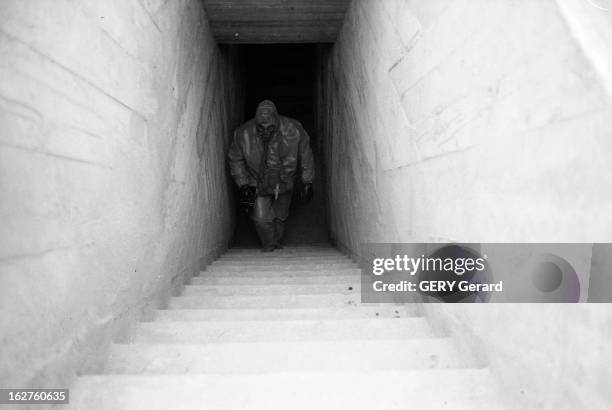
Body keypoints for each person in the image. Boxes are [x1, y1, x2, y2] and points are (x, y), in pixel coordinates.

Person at [228, 100, 314, 251]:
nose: (266, 131)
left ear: (276, 120)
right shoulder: (243, 133)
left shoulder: (294, 129)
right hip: (257, 181)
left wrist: (307, 181)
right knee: (261, 219)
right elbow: (236, 159)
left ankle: (275, 242)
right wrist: (243, 184)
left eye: (270, 127)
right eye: (261, 128)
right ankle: (269, 247)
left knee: (281, 216)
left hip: (284, 181)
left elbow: (306, 154)